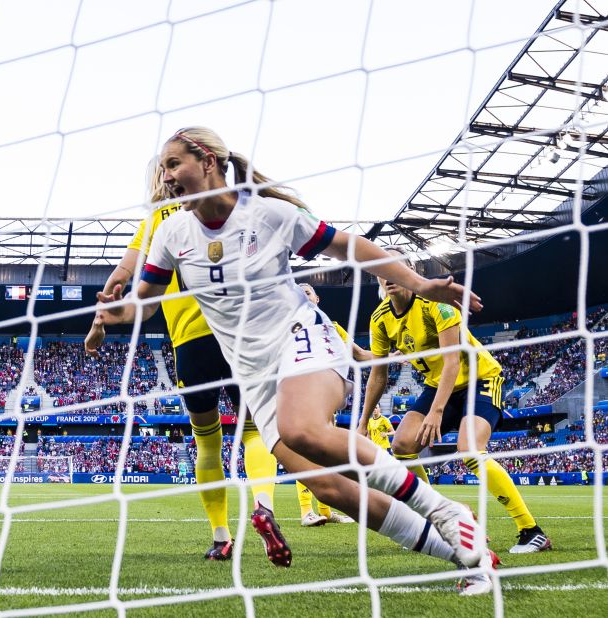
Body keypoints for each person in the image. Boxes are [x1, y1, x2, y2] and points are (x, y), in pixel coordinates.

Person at [97, 127, 494, 592]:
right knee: (330, 488)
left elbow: (348, 246)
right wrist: (112, 314)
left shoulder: (267, 214)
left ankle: (444, 509)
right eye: (162, 169)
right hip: (253, 373)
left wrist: (420, 283)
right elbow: (143, 300)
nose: (164, 177)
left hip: (301, 338)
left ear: (207, 161)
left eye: (172, 164)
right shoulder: (171, 232)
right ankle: (468, 558)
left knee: (302, 429)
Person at [86, 168, 288, 565]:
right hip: (238, 333)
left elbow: (119, 279)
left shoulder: (159, 220)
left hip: (190, 342)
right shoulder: (225, 206)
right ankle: (263, 505)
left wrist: (96, 325)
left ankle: (221, 537)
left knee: (207, 443)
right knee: (254, 431)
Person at [358, 247, 550, 554]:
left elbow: (453, 361)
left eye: (394, 266)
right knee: (402, 445)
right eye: (380, 268)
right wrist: (363, 423)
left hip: (479, 378)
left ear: (410, 270)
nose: (387, 274)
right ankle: (438, 516)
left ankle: (531, 531)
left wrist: (436, 412)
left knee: (469, 449)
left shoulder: (437, 303)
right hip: (439, 386)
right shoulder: (380, 320)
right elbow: (378, 375)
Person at [293, 283, 361, 527]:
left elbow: (361, 355)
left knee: (324, 454)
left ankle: (325, 510)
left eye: (307, 291)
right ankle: (306, 511)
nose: (303, 294)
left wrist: (395, 356)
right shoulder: (289, 325)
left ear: (318, 298)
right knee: (307, 451)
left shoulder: (332, 327)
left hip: (325, 396)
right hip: (300, 392)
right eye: (298, 292)